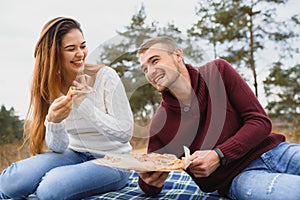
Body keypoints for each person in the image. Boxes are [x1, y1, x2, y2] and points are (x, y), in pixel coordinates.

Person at [136, 36, 300, 199]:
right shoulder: (161, 123)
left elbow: (260, 122)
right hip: (237, 178)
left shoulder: (217, 71)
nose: (150, 72)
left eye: (155, 61)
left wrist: (219, 155)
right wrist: (149, 181)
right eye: (145, 69)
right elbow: (149, 182)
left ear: (178, 55)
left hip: (274, 152)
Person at [0, 17, 134, 199]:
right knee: (10, 182)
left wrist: (84, 104)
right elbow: (59, 146)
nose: (80, 53)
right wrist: (54, 122)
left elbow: (125, 133)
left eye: (82, 46)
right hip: (74, 153)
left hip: (115, 160)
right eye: (71, 49)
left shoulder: (106, 77)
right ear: (54, 54)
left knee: (50, 189)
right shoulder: (51, 85)